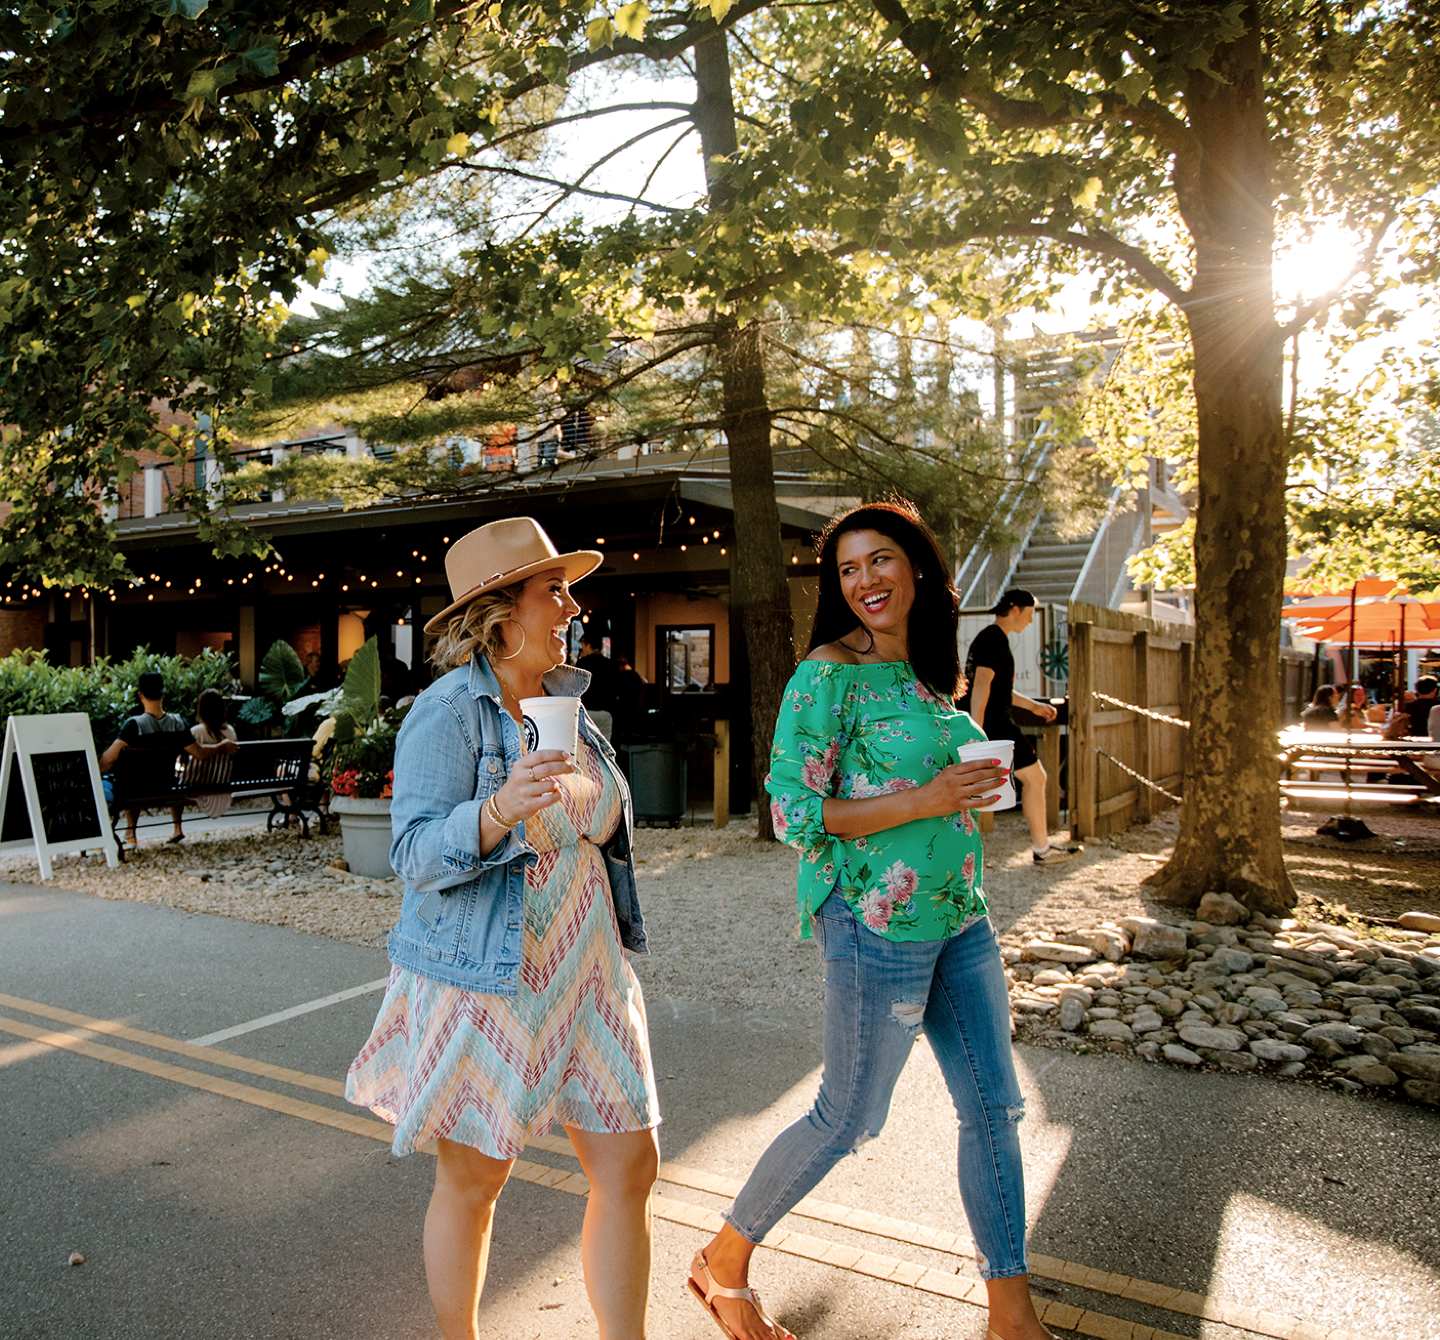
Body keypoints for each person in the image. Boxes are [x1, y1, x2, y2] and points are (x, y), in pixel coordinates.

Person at [689, 501, 1053, 1340]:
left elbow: (955, 805)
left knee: (994, 1109)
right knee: (849, 1117)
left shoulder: (930, 674)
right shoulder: (828, 672)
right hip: (876, 924)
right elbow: (792, 813)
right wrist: (924, 797)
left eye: (879, 561)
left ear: (916, 567)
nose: (865, 583)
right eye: (848, 570)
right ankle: (724, 1259)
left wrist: (973, 797)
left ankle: (1012, 1317)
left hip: (960, 918)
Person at [346, 517, 659, 1340]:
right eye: (552, 590)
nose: (571, 604)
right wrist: (493, 811)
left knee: (630, 1163)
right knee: (477, 1176)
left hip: (589, 968)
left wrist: (602, 806)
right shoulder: (447, 712)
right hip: (489, 975)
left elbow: (603, 816)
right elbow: (409, 853)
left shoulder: (566, 700)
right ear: (500, 612)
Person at [959, 589, 1074, 864]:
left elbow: (999, 689)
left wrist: (1034, 706)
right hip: (996, 725)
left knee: (1032, 779)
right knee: (1035, 779)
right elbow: (981, 685)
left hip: (996, 721)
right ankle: (1042, 849)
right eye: (1030, 614)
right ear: (1015, 609)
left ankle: (1042, 847)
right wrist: (978, 731)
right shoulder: (994, 638)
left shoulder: (992, 638)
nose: (1031, 621)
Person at [99, 671, 238, 846]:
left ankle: (130, 834)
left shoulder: (133, 725)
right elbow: (199, 753)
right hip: (166, 786)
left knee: (119, 781)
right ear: (163, 694)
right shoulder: (178, 723)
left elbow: (109, 760)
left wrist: (99, 768)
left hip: (134, 790)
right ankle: (174, 829)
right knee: (136, 780)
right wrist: (220, 746)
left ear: (140, 695)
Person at [183, 688, 240, 819]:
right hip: (222, 785)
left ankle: (177, 828)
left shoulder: (196, 732)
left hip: (196, 785)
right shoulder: (230, 732)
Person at [577, 631, 617, 738]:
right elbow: (615, 690)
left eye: (583, 646)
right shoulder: (611, 665)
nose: (583, 649)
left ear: (588, 644)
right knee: (605, 748)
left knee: (586, 748)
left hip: (586, 711)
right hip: (605, 712)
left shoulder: (582, 664)